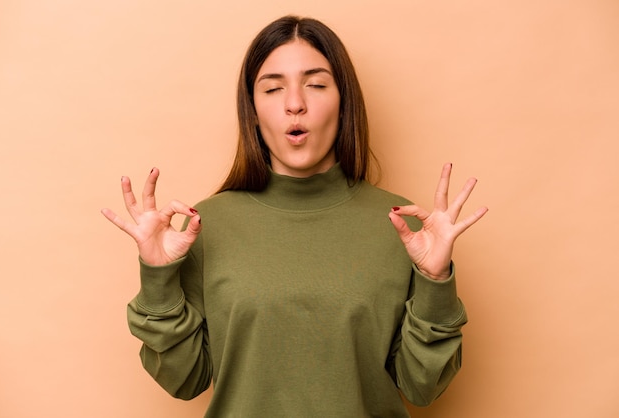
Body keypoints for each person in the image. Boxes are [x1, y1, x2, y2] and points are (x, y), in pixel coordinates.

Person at [101, 15, 488, 417]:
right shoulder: (205, 226)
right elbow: (185, 380)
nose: (294, 104)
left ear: (344, 103)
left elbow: (421, 387)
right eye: (272, 88)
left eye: (316, 85)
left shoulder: (400, 225)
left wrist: (436, 281)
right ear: (252, 110)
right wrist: (158, 275)